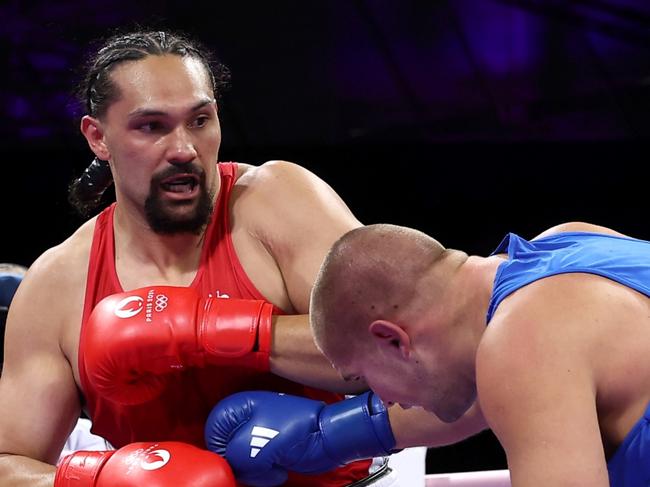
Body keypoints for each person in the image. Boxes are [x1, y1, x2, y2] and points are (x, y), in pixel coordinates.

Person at [0, 29, 434, 486]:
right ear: (97, 137)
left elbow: (402, 351)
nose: (184, 149)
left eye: (200, 120)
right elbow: (9, 462)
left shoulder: (277, 203)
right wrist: (102, 480)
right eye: (152, 126)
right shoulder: (58, 284)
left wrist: (210, 328)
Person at [207, 221, 649, 487]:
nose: (387, 399)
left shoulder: (520, 347)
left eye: (363, 376)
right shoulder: (570, 243)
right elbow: (489, 393)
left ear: (394, 339)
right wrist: (332, 433)